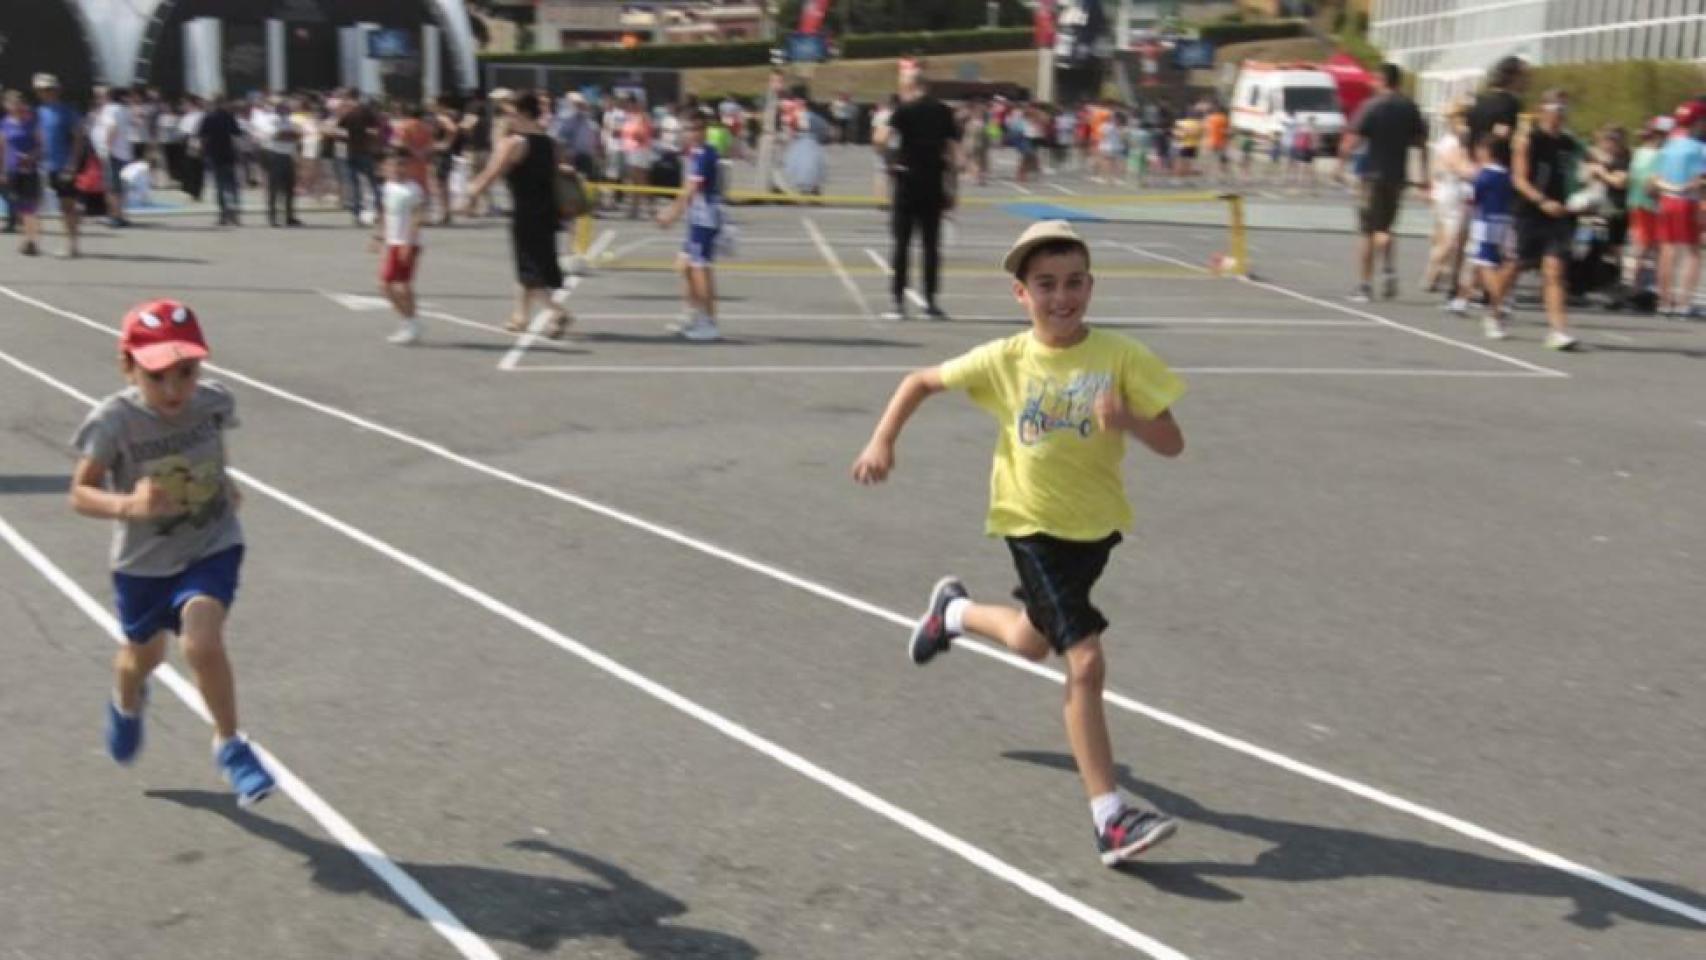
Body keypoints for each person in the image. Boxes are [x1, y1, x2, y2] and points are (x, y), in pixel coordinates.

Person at [851, 220, 1187, 867]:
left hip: (1096, 531)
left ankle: (950, 613)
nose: (1061, 298)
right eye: (1045, 286)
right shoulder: (1007, 358)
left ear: (1091, 285)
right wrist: (882, 439)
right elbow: (919, 381)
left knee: (1034, 641)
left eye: (1073, 283)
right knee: (1084, 661)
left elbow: (1173, 442)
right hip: (1029, 525)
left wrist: (1130, 421)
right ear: (1020, 294)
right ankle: (1109, 818)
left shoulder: (1121, 358)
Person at [69, 298, 277, 808]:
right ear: (128, 366)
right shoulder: (113, 422)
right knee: (141, 658)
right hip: (143, 564)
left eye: (185, 372)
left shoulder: (213, 402)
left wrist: (223, 481)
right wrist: (129, 505)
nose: (173, 388)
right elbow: (80, 493)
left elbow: (210, 445)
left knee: (200, 641)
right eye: (157, 374)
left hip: (211, 542)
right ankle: (126, 703)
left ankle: (230, 744)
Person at [462, 91, 572, 339]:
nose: (504, 117)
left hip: (526, 211)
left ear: (522, 113)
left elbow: (493, 171)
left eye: (508, 112)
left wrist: (472, 192)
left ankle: (557, 312)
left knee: (529, 269)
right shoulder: (549, 142)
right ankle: (520, 316)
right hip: (547, 209)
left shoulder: (515, 143)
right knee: (529, 265)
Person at [1340, 63, 1428, 303]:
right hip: (1397, 176)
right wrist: (1424, 176)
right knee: (1386, 227)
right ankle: (1388, 270)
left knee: (1368, 231)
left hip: (1372, 174)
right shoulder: (1410, 108)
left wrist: (1341, 165)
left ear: (1382, 80)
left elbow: (1353, 139)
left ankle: (1365, 285)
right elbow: (1421, 143)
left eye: (1375, 79)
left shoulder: (1372, 106)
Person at [875, 75, 960, 321]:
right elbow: (953, 152)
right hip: (933, 182)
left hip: (907, 181)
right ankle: (931, 302)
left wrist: (892, 162)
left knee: (901, 244)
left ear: (911, 89)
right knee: (931, 246)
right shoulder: (944, 112)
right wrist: (953, 189)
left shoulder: (903, 110)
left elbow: (880, 139)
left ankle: (898, 302)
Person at [1511, 90, 1583, 350]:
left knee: (1554, 270)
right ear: (1543, 110)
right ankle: (1495, 309)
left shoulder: (1569, 143)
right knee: (1516, 265)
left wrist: (1586, 192)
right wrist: (1541, 201)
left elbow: (1585, 168)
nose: (1559, 115)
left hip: (1558, 214)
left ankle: (1558, 330)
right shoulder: (1528, 139)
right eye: (1555, 108)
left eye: (1563, 110)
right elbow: (1519, 179)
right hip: (1530, 210)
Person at [655, 111, 725, 342]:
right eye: (688, 129)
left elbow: (691, 191)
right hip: (696, 218)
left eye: (696, 129)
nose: (691, 134)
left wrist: (671, 214)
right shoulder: (694, 154)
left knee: (699, 269)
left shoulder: (706, 155)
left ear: (704, 131)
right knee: (684, 265)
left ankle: (708, 321)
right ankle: (692, 313)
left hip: (704, 219)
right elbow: (687, 187)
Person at [1649, 101, 1706, 319]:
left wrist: (1670, 187)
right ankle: (1684, 303)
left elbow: (1655, 179)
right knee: (1692, 252)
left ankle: (1664, 302)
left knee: (1667, 251)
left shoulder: (1669, 146)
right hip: (1688, 202)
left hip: (1666, 201)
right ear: (1698, 121)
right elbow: (1700, 180)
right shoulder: (1700, 148)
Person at [369, 148, 426, 346]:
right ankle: (408, 321)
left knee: (402, 286)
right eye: (392, 165)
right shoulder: (387, 187)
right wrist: (378, 237)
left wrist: (409, 242)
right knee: (384, 285)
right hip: (392, 242)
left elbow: (418, 217)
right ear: (385, 168)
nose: (397, 169)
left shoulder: (413, 189)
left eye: (402, 165)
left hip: (408, 243)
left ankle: (411, 324)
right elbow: (384, 213)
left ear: (408, 167)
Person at [1467, 136, 1518, 340]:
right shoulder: (1509, 176)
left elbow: (1474, 198)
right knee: (1497, 262)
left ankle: (1498, 302)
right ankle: (1497, 300)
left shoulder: (1484, 175)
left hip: (1485, 222)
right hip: (1505, 222)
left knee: (1486, 263)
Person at [1624, 117, 1668, 307]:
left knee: (1649, 247)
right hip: (1647, 205)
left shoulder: (1640, 152)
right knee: (1647, 247)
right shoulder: (1657, 154)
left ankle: (1644, 287)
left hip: (1641, 203)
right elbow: (1650, 183)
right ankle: (1641, 287)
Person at [1, 89, 43, 256]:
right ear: (6, 105)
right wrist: (2, 170)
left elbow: (41, 145)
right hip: (12, 170)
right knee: (19, 208)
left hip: (29, 169)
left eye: (18, 102)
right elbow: (2, 148)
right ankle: (26, 239)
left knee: (29, 207)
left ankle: (31, 241)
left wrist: (31, 156)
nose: (15, 106)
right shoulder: (4, 123)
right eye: (11, 103)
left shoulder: (31, 122)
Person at [251, 97, 302, 227]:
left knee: (289, 188)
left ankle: (289, 216)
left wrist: (290, 135)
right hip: (275, 155)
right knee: (274, 188)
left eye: (285, 106)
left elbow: (297, 135)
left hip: (288, 155)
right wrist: (289, 135)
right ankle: (273, 217)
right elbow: (276, 135)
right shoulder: (270, 120)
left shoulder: (288, 120)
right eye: (282, 106)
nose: (285, 108)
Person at [199, 96, 242, 227]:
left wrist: (204, 152)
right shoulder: (229, 117)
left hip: (214, 154)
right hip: (229, 154)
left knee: (219, 186)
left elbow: (202, 135)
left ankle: (223, 215)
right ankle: (235, 214)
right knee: (232, 186)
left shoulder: (209, 117)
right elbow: (237, 133)